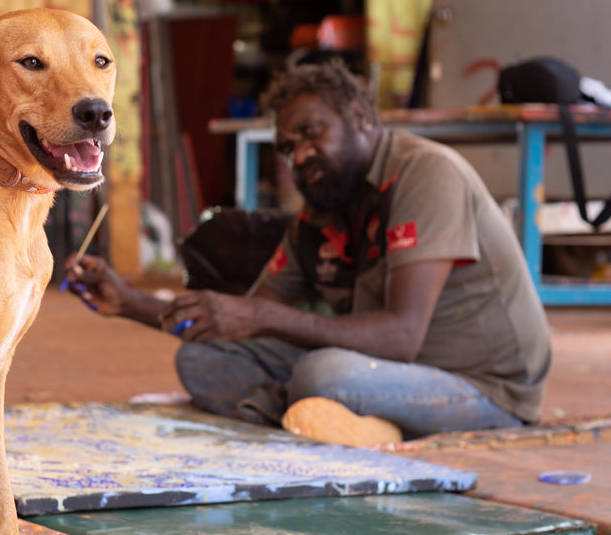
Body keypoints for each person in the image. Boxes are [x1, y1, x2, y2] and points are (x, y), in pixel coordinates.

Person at [66, 61, 552, 446]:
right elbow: (234, 321)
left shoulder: (426, 175)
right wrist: (131, 303)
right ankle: (326, 417)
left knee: (325, 373)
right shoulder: (326, 206)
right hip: (381, 369)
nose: (299, 157)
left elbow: (402, 337)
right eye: (288, 147)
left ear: (360, 119)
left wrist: (259, 315)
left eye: (312, 133)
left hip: (482, 387)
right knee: (206, 359)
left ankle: (336, 415)